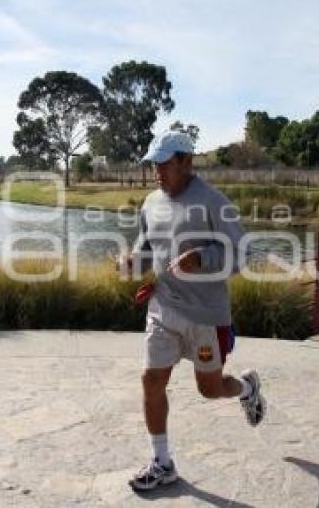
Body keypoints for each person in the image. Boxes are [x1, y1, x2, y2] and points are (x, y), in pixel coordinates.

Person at [118, 130, 266, 492]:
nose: (157, 172)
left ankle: (247, 388)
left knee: (210, 390)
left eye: (164, 164)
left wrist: (202, 258)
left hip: (205, 315)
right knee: (151, 381)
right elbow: (147, 249)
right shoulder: (151, 202)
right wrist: (132, 263)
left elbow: (243, 254)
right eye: (154, 164)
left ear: (186, 161)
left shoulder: (213, 202)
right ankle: (162, 462)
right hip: (162, 306)